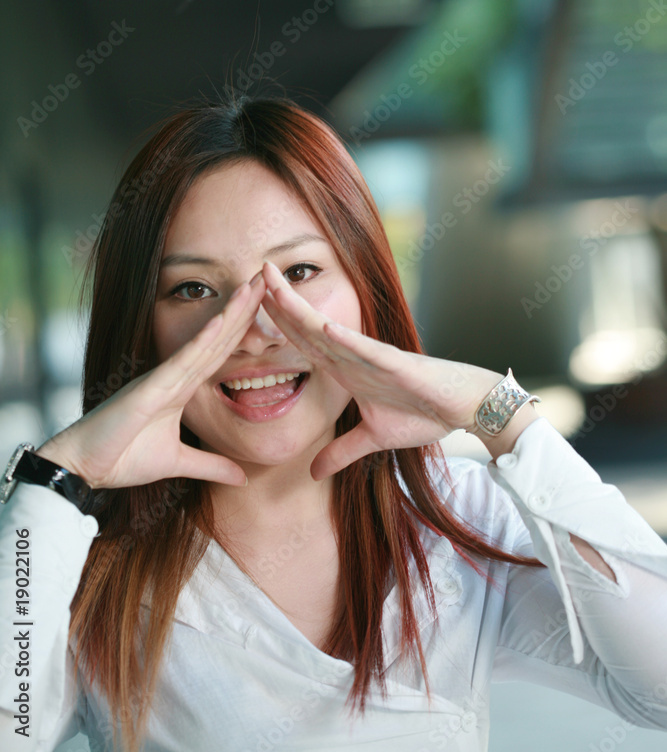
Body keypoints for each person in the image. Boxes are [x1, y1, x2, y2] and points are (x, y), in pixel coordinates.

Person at [1, 90, 666, 752]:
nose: (255, 329)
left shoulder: (452, 518)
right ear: (141, 332)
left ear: (365, 294)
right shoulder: (84, 563)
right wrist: (56, 481)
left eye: (299, 271)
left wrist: (499, 414)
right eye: (194, 289)